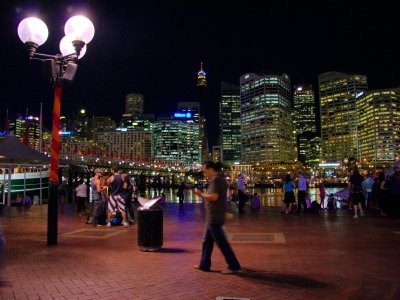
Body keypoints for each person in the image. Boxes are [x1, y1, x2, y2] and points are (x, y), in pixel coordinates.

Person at [193, 161, 241, 274]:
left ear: (211, 169)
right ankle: (204, 264)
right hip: (213, 215)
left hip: (214, 216)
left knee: (222, 242)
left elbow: (214, 197)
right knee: (207, 241)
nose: (204, 174)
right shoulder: (220, 179)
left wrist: (201, 195)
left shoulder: (216, 180)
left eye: (205, 171)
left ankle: (234, 265)